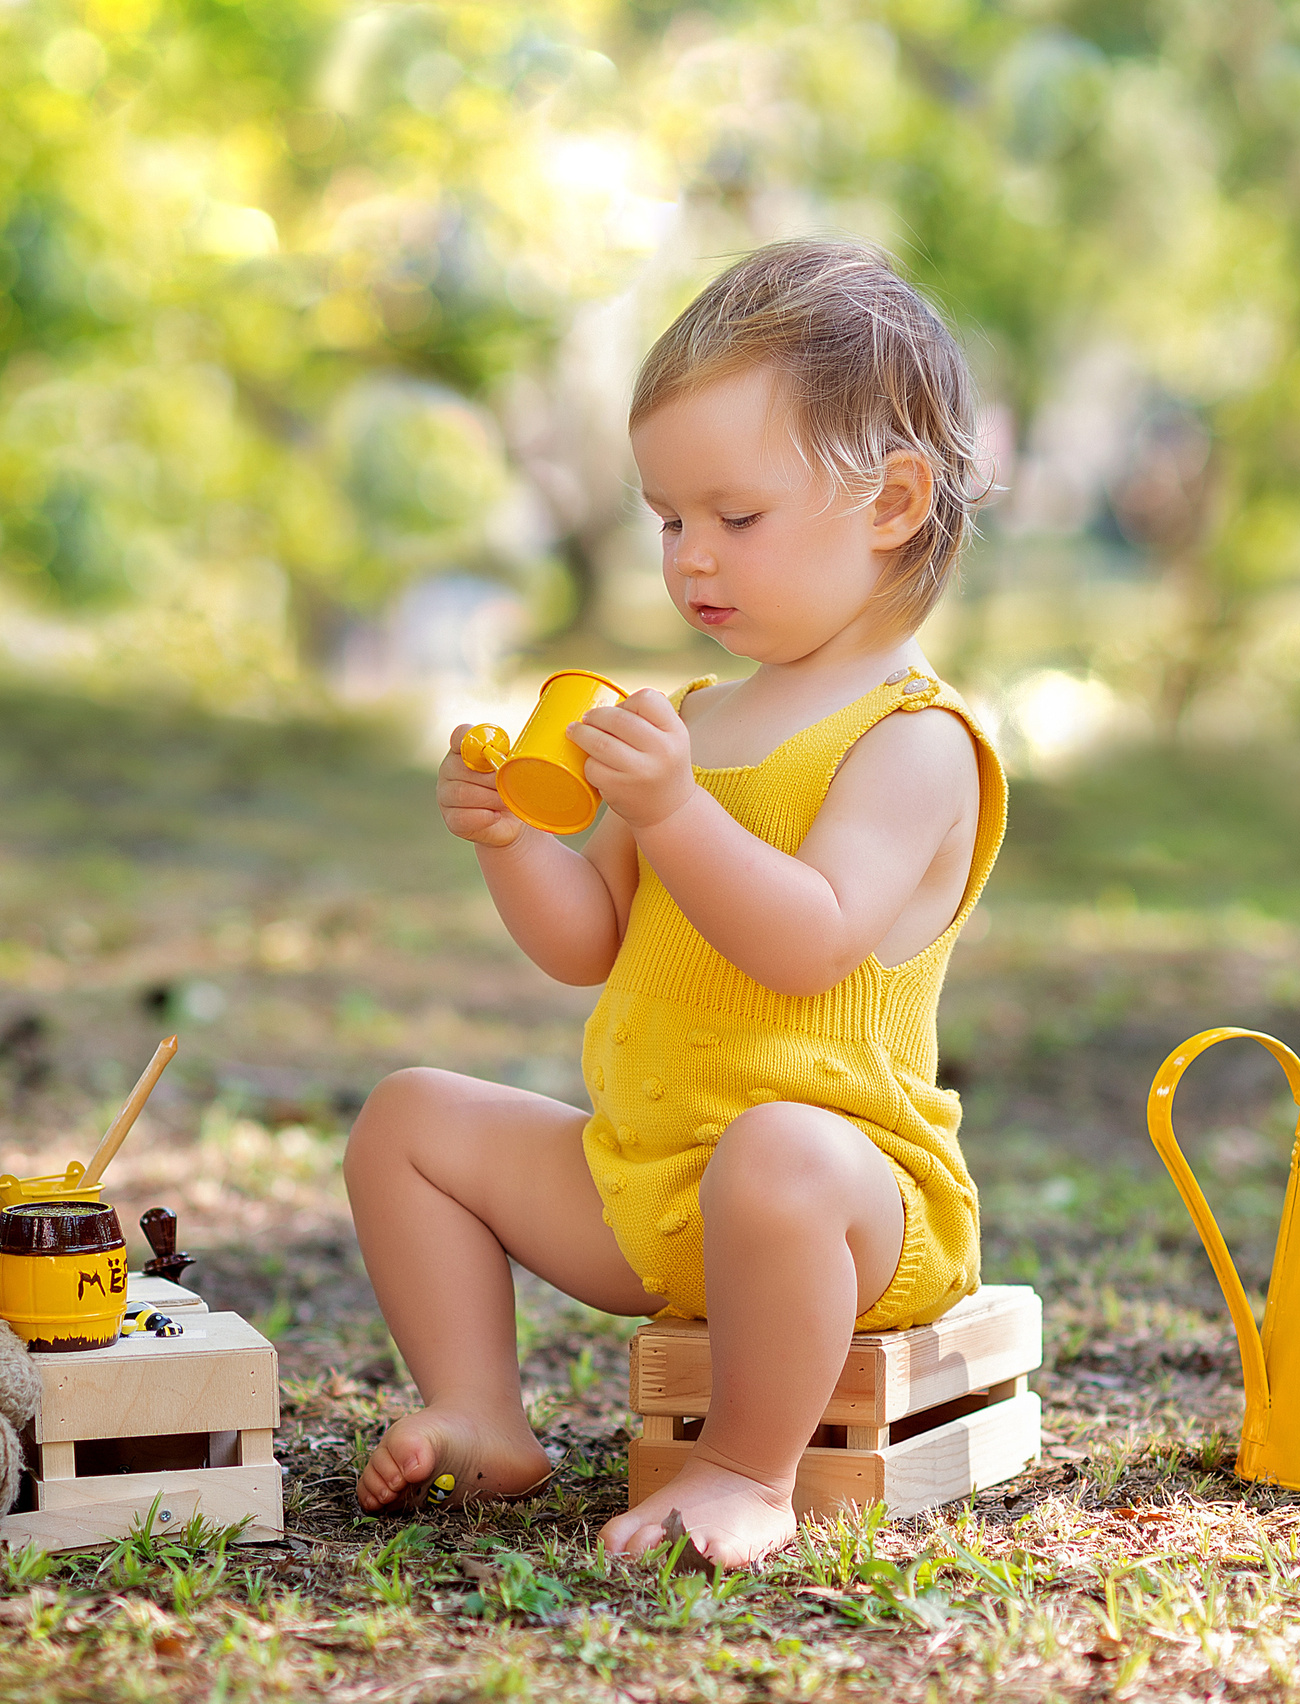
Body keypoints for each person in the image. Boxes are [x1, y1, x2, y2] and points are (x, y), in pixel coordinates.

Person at [345, 237, 1006, 1568]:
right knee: (410, 1118)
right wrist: (512, 841)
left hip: (840, 1210)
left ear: (891, 503)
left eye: (735, 517)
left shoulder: (914, 739)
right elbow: (591, 943)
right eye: (667, 521)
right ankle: (480, 1411)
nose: (691, 558)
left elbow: (810, 943)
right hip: (646, 1186)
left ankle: (748, 1473)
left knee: (779, 1150)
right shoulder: (691, 722)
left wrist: (673, 810)